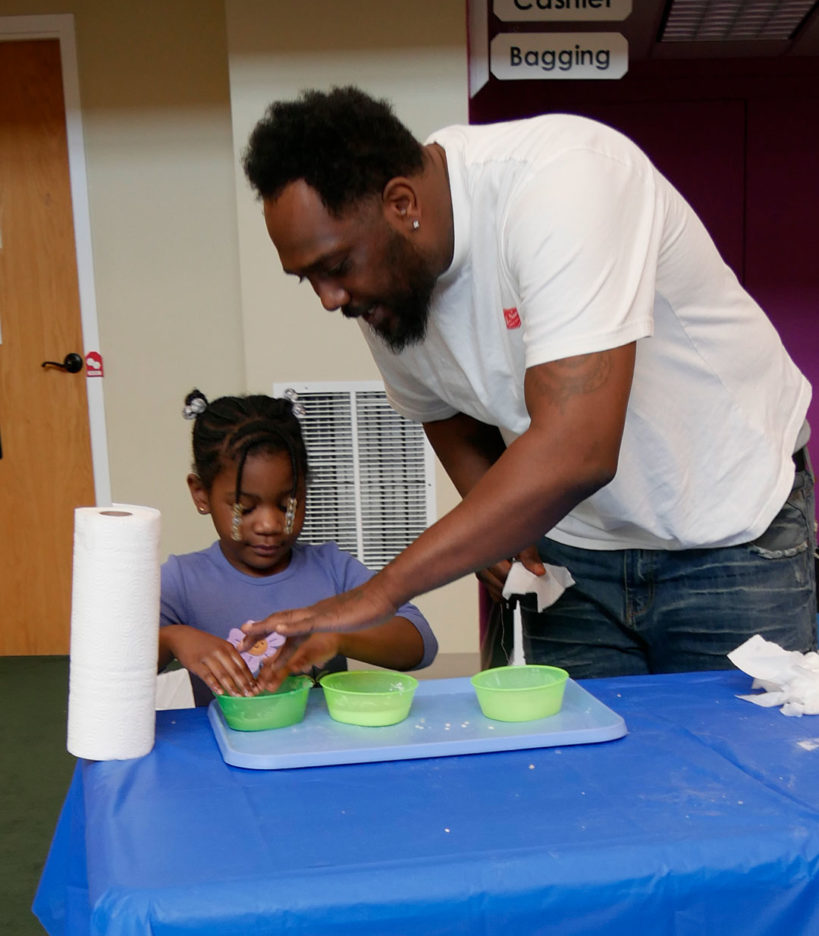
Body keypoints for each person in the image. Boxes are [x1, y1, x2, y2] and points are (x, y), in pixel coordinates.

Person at [238, 85, 816, 679]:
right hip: (572, 552)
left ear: (402, 203)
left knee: (740, 765)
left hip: (729, 530)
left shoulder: (563, 181)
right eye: (307, 278)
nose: (329, 299)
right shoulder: (385, 287)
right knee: (561, 764)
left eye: (335, 268)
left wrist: (379, 592)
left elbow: (578, 451)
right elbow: (442, 410)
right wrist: (502, 534)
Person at [158, 388, 438, 704]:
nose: (270, 525)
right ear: (201, 494)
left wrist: (336, 636)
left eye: (287, 504)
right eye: (244, 508)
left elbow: (419, 642)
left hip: (320, 749)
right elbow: (108, 664)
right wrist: (172, 639)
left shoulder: (332, 569)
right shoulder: (181, 582)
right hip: (221, 752)